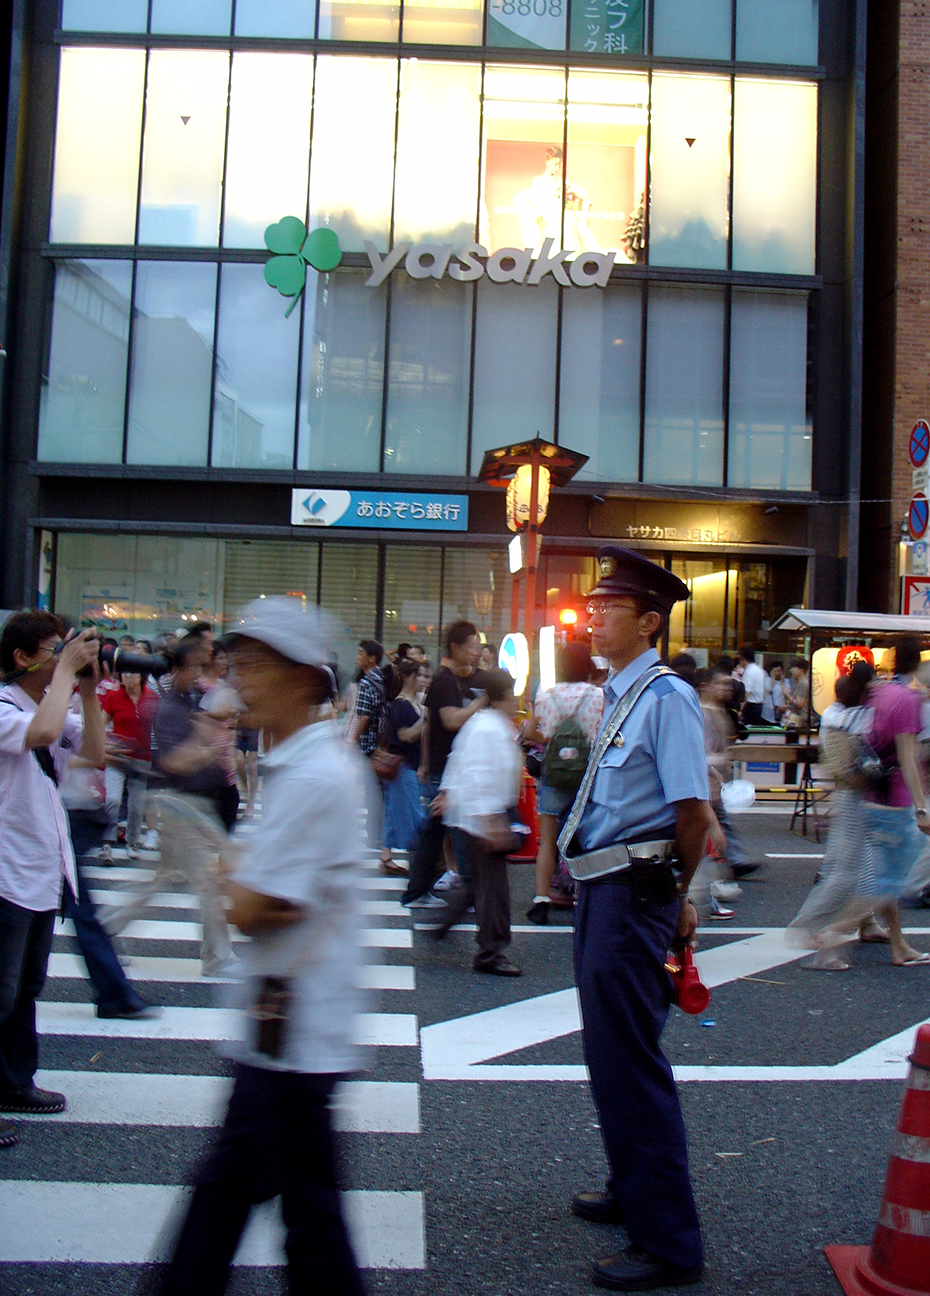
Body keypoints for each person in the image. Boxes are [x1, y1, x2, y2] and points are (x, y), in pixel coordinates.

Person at [152, 597, 368, 1295]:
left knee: (285, 1215)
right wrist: (237, 877)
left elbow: (248, 908)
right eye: (235, 661)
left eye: (253, 663)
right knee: (275, 1205)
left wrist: (234, 878)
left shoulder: (313, 776)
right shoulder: (293, 768)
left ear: (305, 678)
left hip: (294, 1031)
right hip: (282, 1027)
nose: (237, 677)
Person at [557, 546, 712, 1292]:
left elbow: (693, 811)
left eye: (606, 607)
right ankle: (631, 1186)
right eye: (591, 605)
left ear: (648, 621)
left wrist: (676, 896)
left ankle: (670, 1244)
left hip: (632, 895)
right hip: (602, 893)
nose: (590, 616)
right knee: (611, 1056)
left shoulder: (666, 695)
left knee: (631, 1065)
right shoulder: (621, 692)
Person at [0, 613, 104, 1151]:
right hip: (5, 871)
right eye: (53, 648)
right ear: (22, 657)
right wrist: (67, 666)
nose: (68, 654)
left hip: (40, 870)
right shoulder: (3, 707)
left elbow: (95, 751)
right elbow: (40, 733)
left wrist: (86, 687)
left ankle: (14, 1083)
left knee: (25, 990)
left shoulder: (51, 707)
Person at [101, 636, 235, 977]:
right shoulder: (168, 707)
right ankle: (218, 958)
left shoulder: (190, 699)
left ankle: (104, 931)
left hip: (193, 803)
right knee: (207, 879)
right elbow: (173, 762)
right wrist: (206, 746)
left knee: (157, 882)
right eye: (198, 666)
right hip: (178, 803)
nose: (203, 673)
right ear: (180, 668)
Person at [786, 663, 928, 968]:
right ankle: (809, 925)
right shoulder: (863, 713)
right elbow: (898, 753)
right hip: (865, 796)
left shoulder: (837, 715)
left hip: (854, 794)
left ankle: (869, 926)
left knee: (862, 868)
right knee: (855, 872)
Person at [430, 667, 525, 975]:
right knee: (493, 889)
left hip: (471, 814)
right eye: (513, 693)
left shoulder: (483, 724)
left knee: (480, 882)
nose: (517, 699)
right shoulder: (492, 729)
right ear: (504, 696)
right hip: (482, 816)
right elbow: (481, 775)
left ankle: (447, 920)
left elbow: (457, 760)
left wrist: (446, 792)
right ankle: (490, 954)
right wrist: (492, 819)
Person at [400, 621, 489, 907]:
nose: (476, 652)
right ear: (456, 647)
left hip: (446, 767)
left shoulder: (451, 679)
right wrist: (480, 703)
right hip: (447, 770)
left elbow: (428, 725)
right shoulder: (446, 681)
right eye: (472, 646)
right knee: (457, 830)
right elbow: (449, 721)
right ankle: (471, 893)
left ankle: (417, 892)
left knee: (436, 831)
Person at [524, 641, 603, 924]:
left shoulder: (545, 694)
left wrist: (553, 739)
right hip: (588, 777)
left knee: (547, 841)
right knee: (586, 840)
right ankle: (582, 898)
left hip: (554, 775)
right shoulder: (598, 695)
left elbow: (531, 733)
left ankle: (541, 899)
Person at [381, 658, 427, 864]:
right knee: (415, 816)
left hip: (403, 766)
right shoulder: (401, 704)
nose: (423, 680)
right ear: (408, 678)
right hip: (404, 765)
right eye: (419, 675)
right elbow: (405, 735)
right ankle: (421, 864)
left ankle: (386, 856)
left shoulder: (412, 703)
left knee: (392, 812)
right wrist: (425, 721)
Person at [737, 646, 766, 726]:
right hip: (758, 706)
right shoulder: (759, 670)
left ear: (744, 659)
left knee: (747, 730)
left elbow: (746, 693)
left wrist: (740, 710)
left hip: (750, 706)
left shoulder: (749, 672)